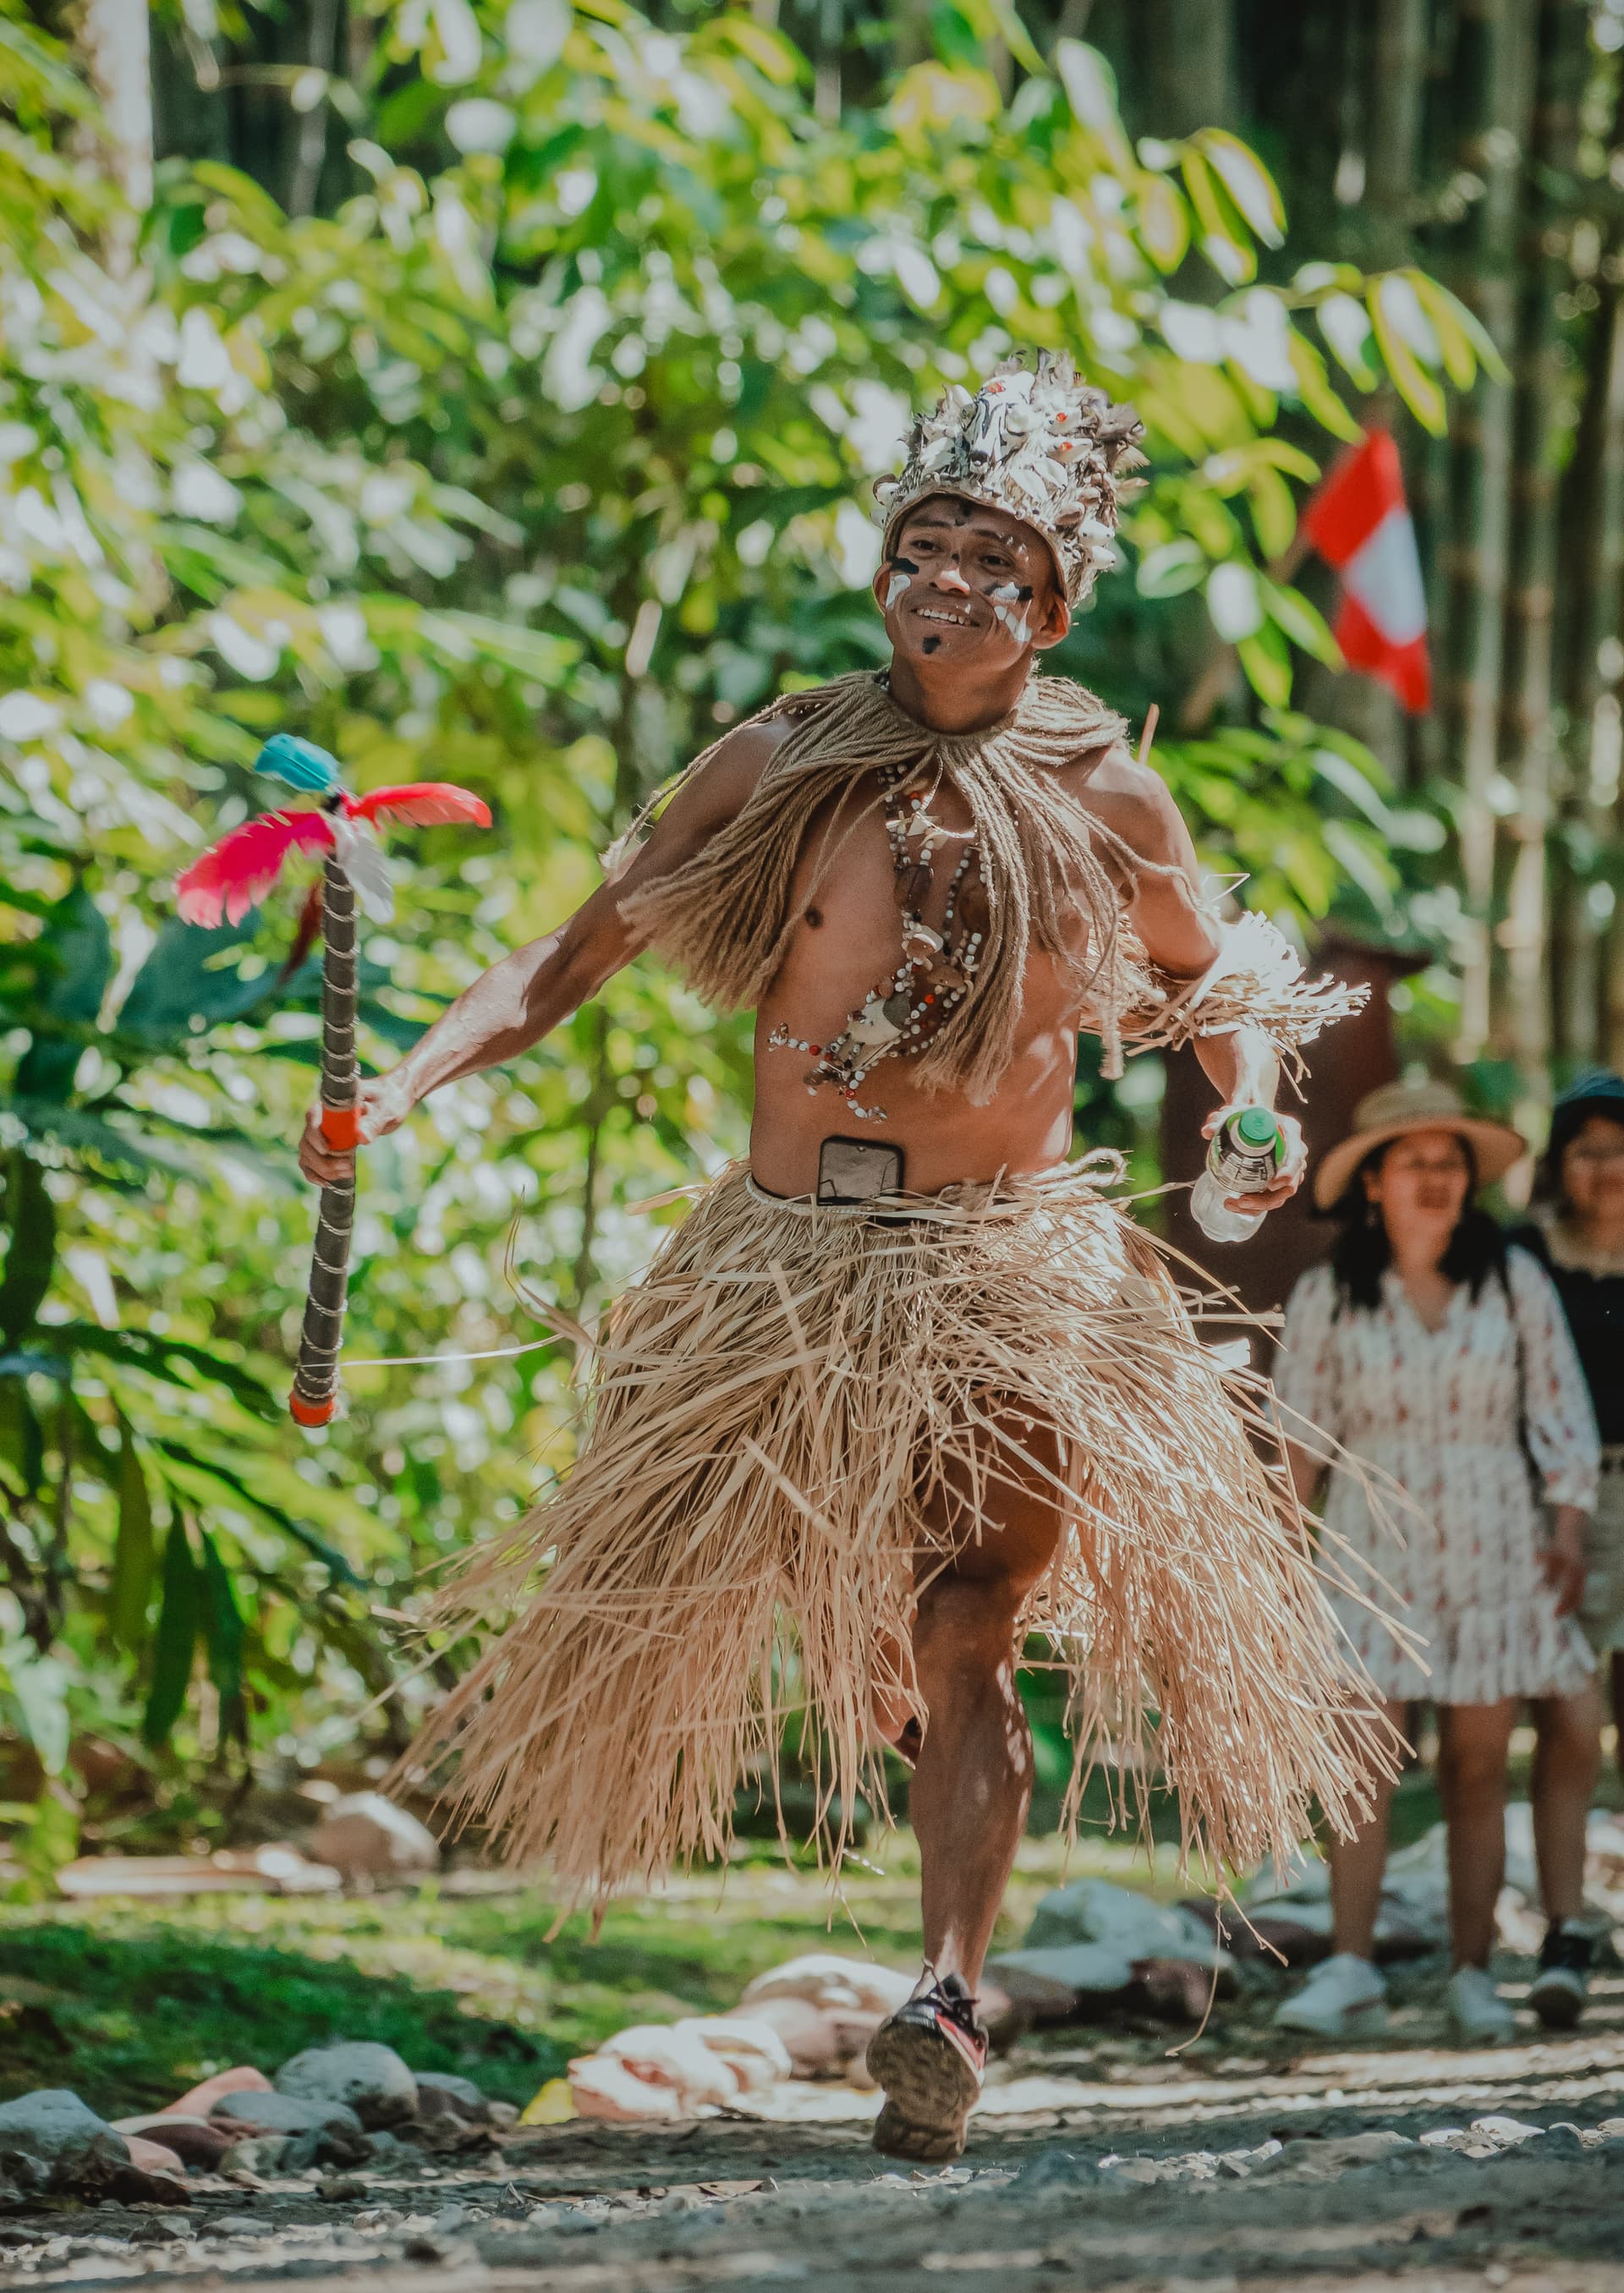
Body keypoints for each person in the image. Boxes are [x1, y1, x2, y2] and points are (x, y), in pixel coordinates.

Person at [299, 352, 1383, 2161]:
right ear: (884, 565)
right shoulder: (785, 757)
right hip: (785, 1273)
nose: (947, 580)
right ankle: (898, 1722)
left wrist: (1255, 1100)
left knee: (972, 1613)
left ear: (1051, 600)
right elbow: (564, 962)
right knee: (897, 1622)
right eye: (924, 543)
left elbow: (1218, 985)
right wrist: (394, 1085)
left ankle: (945, 1994)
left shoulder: (1108, 791)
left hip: (1010, 1264)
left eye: (991, 555)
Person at [1271, 1078, 1602, 2048]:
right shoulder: (1332, 1290)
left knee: (1476, 1764)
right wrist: (1283, 1551)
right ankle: (1349, 1966)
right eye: (1413, 1161)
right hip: (1371, 1541)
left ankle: (1471, 1973)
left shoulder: (1512, 1279)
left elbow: (1561, 1410)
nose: (1436, 1178)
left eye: (1450, 1162)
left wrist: (1568, 1532)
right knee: (1363, 1759)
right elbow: (1297, 1429)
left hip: (1496, 1532)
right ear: (1373, 1181)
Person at [1510, 1071, 1624, 1779]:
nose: (1607, 1167)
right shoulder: (1522, 1256)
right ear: (1557, 1166)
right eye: (1587, 1150)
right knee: (1564, 1703)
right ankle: (1562, 1885)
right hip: (1553, 1504)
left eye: (1621, 1148)